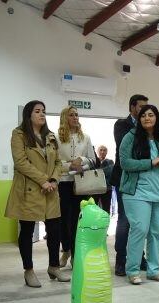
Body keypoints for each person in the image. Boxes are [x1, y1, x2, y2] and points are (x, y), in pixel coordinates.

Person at [5, 100, 69, 288]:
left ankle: (54, 267)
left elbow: (58, 162)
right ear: (28, 115)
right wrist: (43, 180)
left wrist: (54, 180)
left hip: (50, 190)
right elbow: (21, 162)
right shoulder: (19, 135)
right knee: (26, 231)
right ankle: (29, 270)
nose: (42, 114)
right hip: (30, 189)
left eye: (43, 111)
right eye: (37, 111)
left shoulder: (50, 136)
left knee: (54, 230)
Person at [119, 105, 159, 284]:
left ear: (156, 118)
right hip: (137, 193)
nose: (147, 118)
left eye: (151, 115)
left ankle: (154, 270)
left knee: (155, 233)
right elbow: (124, 163)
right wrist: (150, 162)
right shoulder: (130, 138)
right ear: (139, 119)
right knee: (140, 229)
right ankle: (133, 270)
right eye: (143, 115)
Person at [54, 106, 96, 268]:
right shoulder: (56, 138)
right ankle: (66, 250)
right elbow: (54, 163)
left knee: (78, 220)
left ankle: (76, 253)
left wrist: (82, 163)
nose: (75, 117)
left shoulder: (85, 137)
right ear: (65, 117)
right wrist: (69, 166)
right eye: (71, 115)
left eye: (77, 115)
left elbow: (92, 160)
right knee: (63, 220)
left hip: (81, 183)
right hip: (63, 182)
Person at [112, 94, 148, 276]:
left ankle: (139, 257)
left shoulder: (148, 126)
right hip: (124, 180)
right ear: (132, 108)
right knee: (125, 220)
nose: (145, 111)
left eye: (146, 107)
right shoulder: (121, 125)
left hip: (143, 180)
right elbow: (125, 147)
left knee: (140, 222)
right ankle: (121, 259)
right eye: (141, 107)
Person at [95, 145, 114, 214]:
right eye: (101, 150)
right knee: (94, 208)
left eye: (104, 150)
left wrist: (97, 172)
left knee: (106, 209)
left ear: (106, 152)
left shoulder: (110, 161)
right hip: (95, 189)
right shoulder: (94, 162)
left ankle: (106, 223)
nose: (102, 152)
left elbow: (110, 171)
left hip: (107, 189)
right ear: (97, 151)